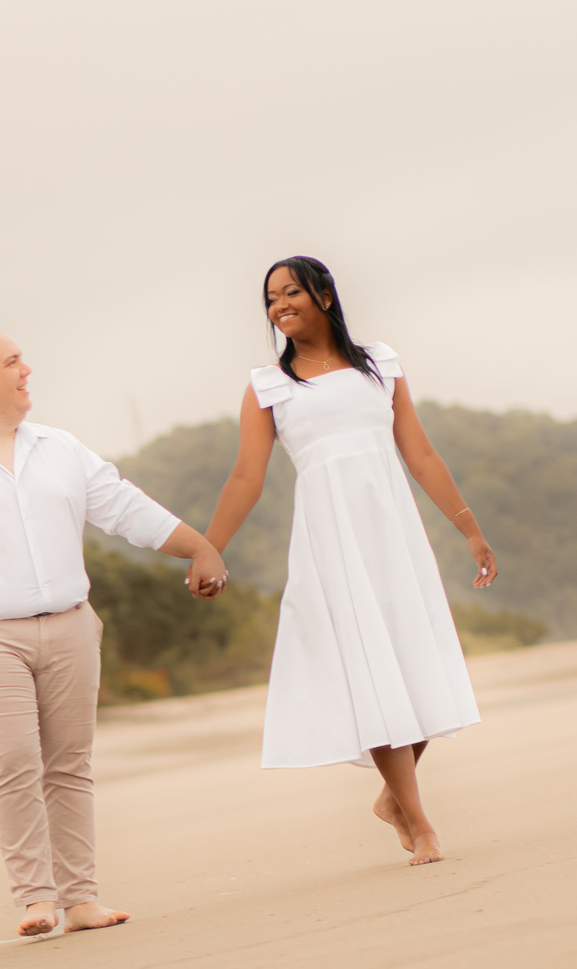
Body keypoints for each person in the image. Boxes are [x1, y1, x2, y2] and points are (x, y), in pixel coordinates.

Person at [0, 329, 227, 936]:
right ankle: (36, 899)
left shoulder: (60, 448)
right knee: (14, 763)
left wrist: (198, 547)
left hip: (70, 626)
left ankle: (81, 900)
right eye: (13, 362)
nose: (27, 371)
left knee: (70, 765)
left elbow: (124, 508)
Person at [203, 257, 498, 866]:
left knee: (415, 659)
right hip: (332, 543)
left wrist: (468, 528)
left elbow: (420, 454)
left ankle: (392, 798)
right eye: (270, 298)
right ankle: (420, 823)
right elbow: (245, 478)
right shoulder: (269, 387)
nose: (279, 305)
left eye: (291, 291)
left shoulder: (380, 365)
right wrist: (210, 547)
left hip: (395, 537)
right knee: (371, 669)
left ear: (325, 295)